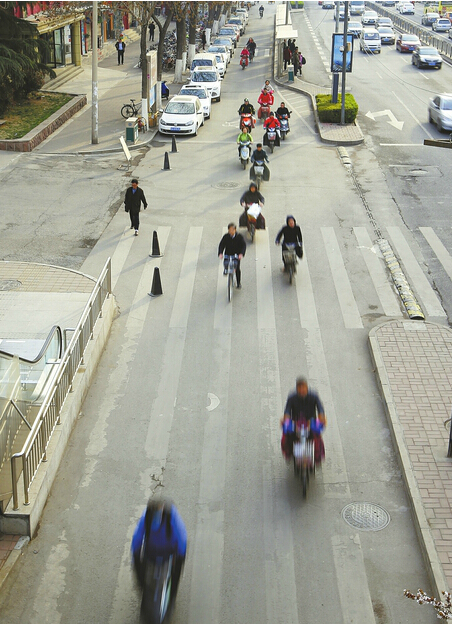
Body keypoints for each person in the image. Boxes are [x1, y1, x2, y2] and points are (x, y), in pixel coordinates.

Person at [131, 498, 187, 598]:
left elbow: (181, 534)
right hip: (151, 551)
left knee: (176, 571)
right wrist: (136, 551)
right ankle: (142, 588)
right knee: (139, 568)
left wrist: (180, 554)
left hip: (169, 551)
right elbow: (138, 535)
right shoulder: (146, 517)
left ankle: (172, 593)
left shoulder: (171, 516)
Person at [281, 378, 326, 464]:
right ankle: (288, 453)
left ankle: (318, 457)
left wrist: (321, 416)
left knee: (317, 436)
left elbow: (320, 408)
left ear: (307, 388)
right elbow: (287, 410)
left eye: (304, 388)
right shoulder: (292, 397)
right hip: (296, 422)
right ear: (297, 389)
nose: (302, 390)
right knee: (286, 435)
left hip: (311, 422)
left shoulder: (314, 396)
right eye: (300, 388)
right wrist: (286, 418)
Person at [218, 223, 246, 289]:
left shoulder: (239, 237)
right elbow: (221, 245)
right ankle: (225, 269)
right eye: (230, 230)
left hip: (236, 254)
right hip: (228, 253)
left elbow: (243, 246)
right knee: (226, 263)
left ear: (235, 230)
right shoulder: (226, 236)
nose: (231, 231)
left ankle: (238, 283)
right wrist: (220, 253)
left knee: (237, 268)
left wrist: (241, 254)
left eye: (233, 230)